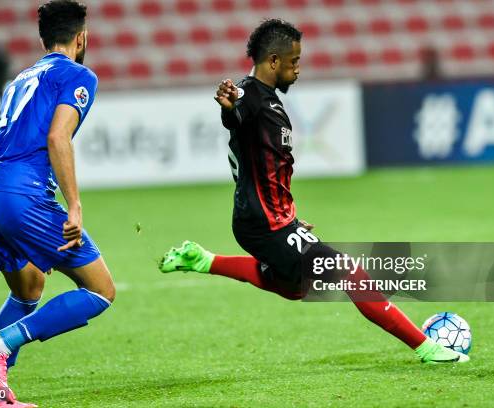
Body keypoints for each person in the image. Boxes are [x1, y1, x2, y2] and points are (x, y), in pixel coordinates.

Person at [159, 19, 468, 365]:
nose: (298, 69)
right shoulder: (250, 98)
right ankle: (427, 348)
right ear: (273, 62)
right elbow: (236, 114)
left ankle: (202, 259)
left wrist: (288, 216)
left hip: (268, 219)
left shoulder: (268, 101)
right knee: (351, 272)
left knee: (293, 288)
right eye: (294, 62)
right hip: (264, 224)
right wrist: (228, 109)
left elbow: (267, 169)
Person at [0, 1, 115, 407]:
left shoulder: (20, 78)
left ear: (42, 38)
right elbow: (57, 138)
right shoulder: (78, 74)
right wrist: (74, 205)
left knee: (28, 288)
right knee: (101, 290)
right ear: (81, 36)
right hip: (22, 195)